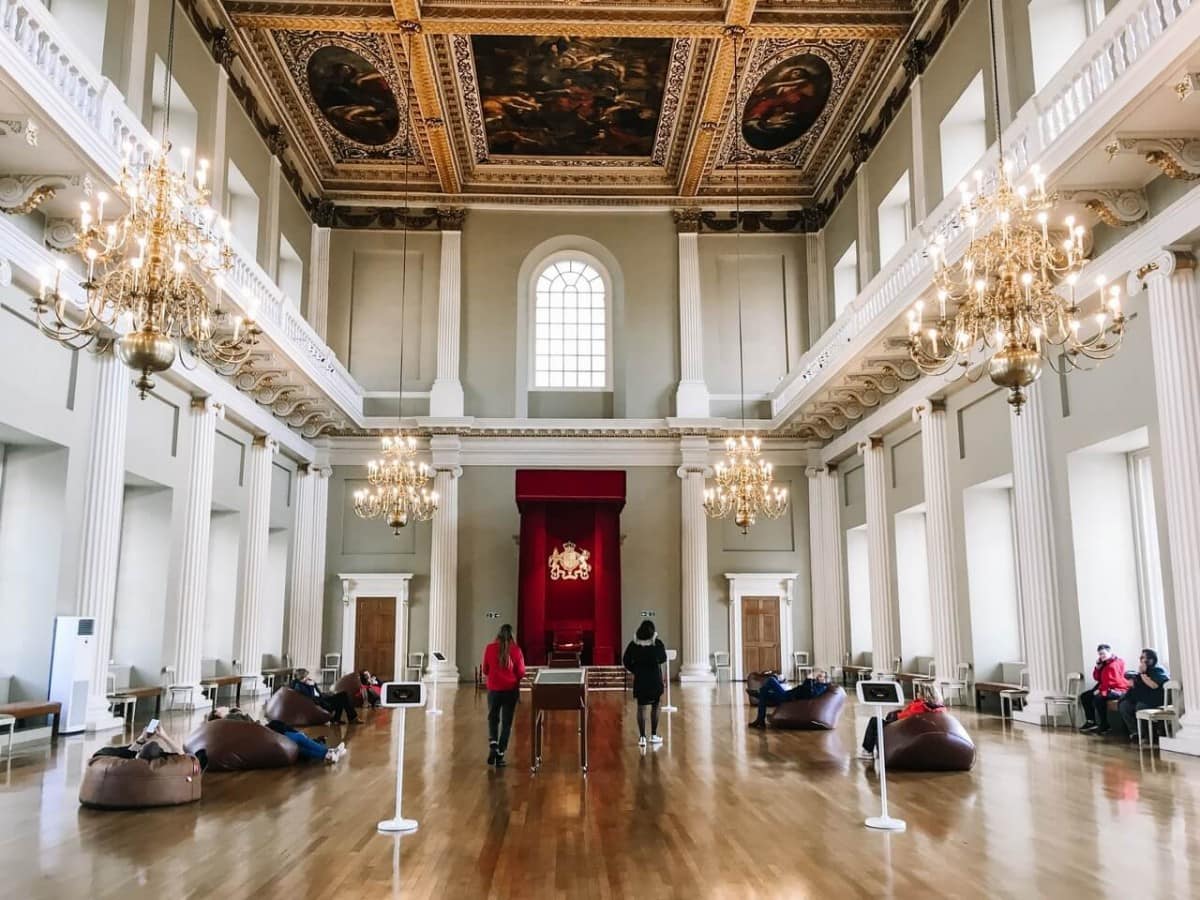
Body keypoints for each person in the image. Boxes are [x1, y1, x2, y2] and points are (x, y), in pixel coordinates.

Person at [208, 707, 346, 764]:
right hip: (262, 734)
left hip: (261, 732)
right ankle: (328, 751)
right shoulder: (230, 718)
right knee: (297, 738)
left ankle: (327, 754)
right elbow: (249, 724)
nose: (223, 706)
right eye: (220, 708)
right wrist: (238, 712)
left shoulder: (232, 716)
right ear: (217, 714)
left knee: (296, 745)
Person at [858, 683, 946, 760]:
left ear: (924, 695)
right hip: (915, 730)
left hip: (904, 730)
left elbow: (902, 717)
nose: (917, 694)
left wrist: (894, 715)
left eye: (919, 692)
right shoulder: (940, 708)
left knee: (874, 722)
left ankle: (867, 751)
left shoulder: (919, 706)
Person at [481, 624, 526, 768]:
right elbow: (521, 672)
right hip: (510, 690)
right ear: (512, 635)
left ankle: (493, 743)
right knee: (507, 723)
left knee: (493, 717)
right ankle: (500, 753)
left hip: (494, 689)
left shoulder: (489, 648)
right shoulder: (516, 650)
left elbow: (485, 669)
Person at [622, 620, 668, 748]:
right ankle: (653, 734)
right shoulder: (657, 643)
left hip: (640, 679)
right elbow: (663, 658)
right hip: (654, 679)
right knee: (656, 705)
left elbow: (626, 660)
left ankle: (642, 737)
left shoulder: (633, 644)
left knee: (641, 707)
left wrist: (635, 670)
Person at [748, 669, 831, 729]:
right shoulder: (817, 684)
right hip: (789, 694)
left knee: (771, 680)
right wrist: (810, 679)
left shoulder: (821, 687)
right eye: (819, 676)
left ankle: (759, 714)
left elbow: (810, 692)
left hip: (787, 697)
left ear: (825, 679)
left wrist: (809, 678)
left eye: (821, 676)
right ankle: (760, 720)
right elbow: (806, 689)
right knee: (764, 695)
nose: (819, 677)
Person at [1118, 649, 1169, 740]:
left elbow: (1154, 685)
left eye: (1143, 657)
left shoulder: (1157, 670)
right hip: (1144, 698)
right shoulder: (1144, 671)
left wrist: (1143, 674)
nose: (1140, 660)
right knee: (1124, 705)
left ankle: (1148, 734)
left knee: (1140, 706)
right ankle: (1135, 732)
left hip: (1155, 699)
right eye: (1140, 657)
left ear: (1151, 659)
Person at [1078, 644, 1129, 734]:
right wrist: (1098, 667)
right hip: (1105, 687)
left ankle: (1104, 725)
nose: (1101, 656)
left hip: (1117, 689)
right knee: (1085, 696)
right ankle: (1091, 721)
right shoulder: (1104, 663)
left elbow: (1112, 681)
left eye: (1103, 653)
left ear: (1109, 652)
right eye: (1100, 654)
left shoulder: (1116, 663)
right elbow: (1097, 678)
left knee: (1098, 698)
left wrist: (1100, 691)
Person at [290, 668, 359, 725]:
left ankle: (339, 719)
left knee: (342, 695)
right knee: (342, 698)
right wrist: (311, 686)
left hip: (322, 699)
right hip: (320, 703)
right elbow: (311, 698)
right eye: (306, 676)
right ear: (301, 677)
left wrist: (327, 693)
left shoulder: (307, 682)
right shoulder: (299, 686)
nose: (308, 677)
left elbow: (318, 693)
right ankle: (348, 718)